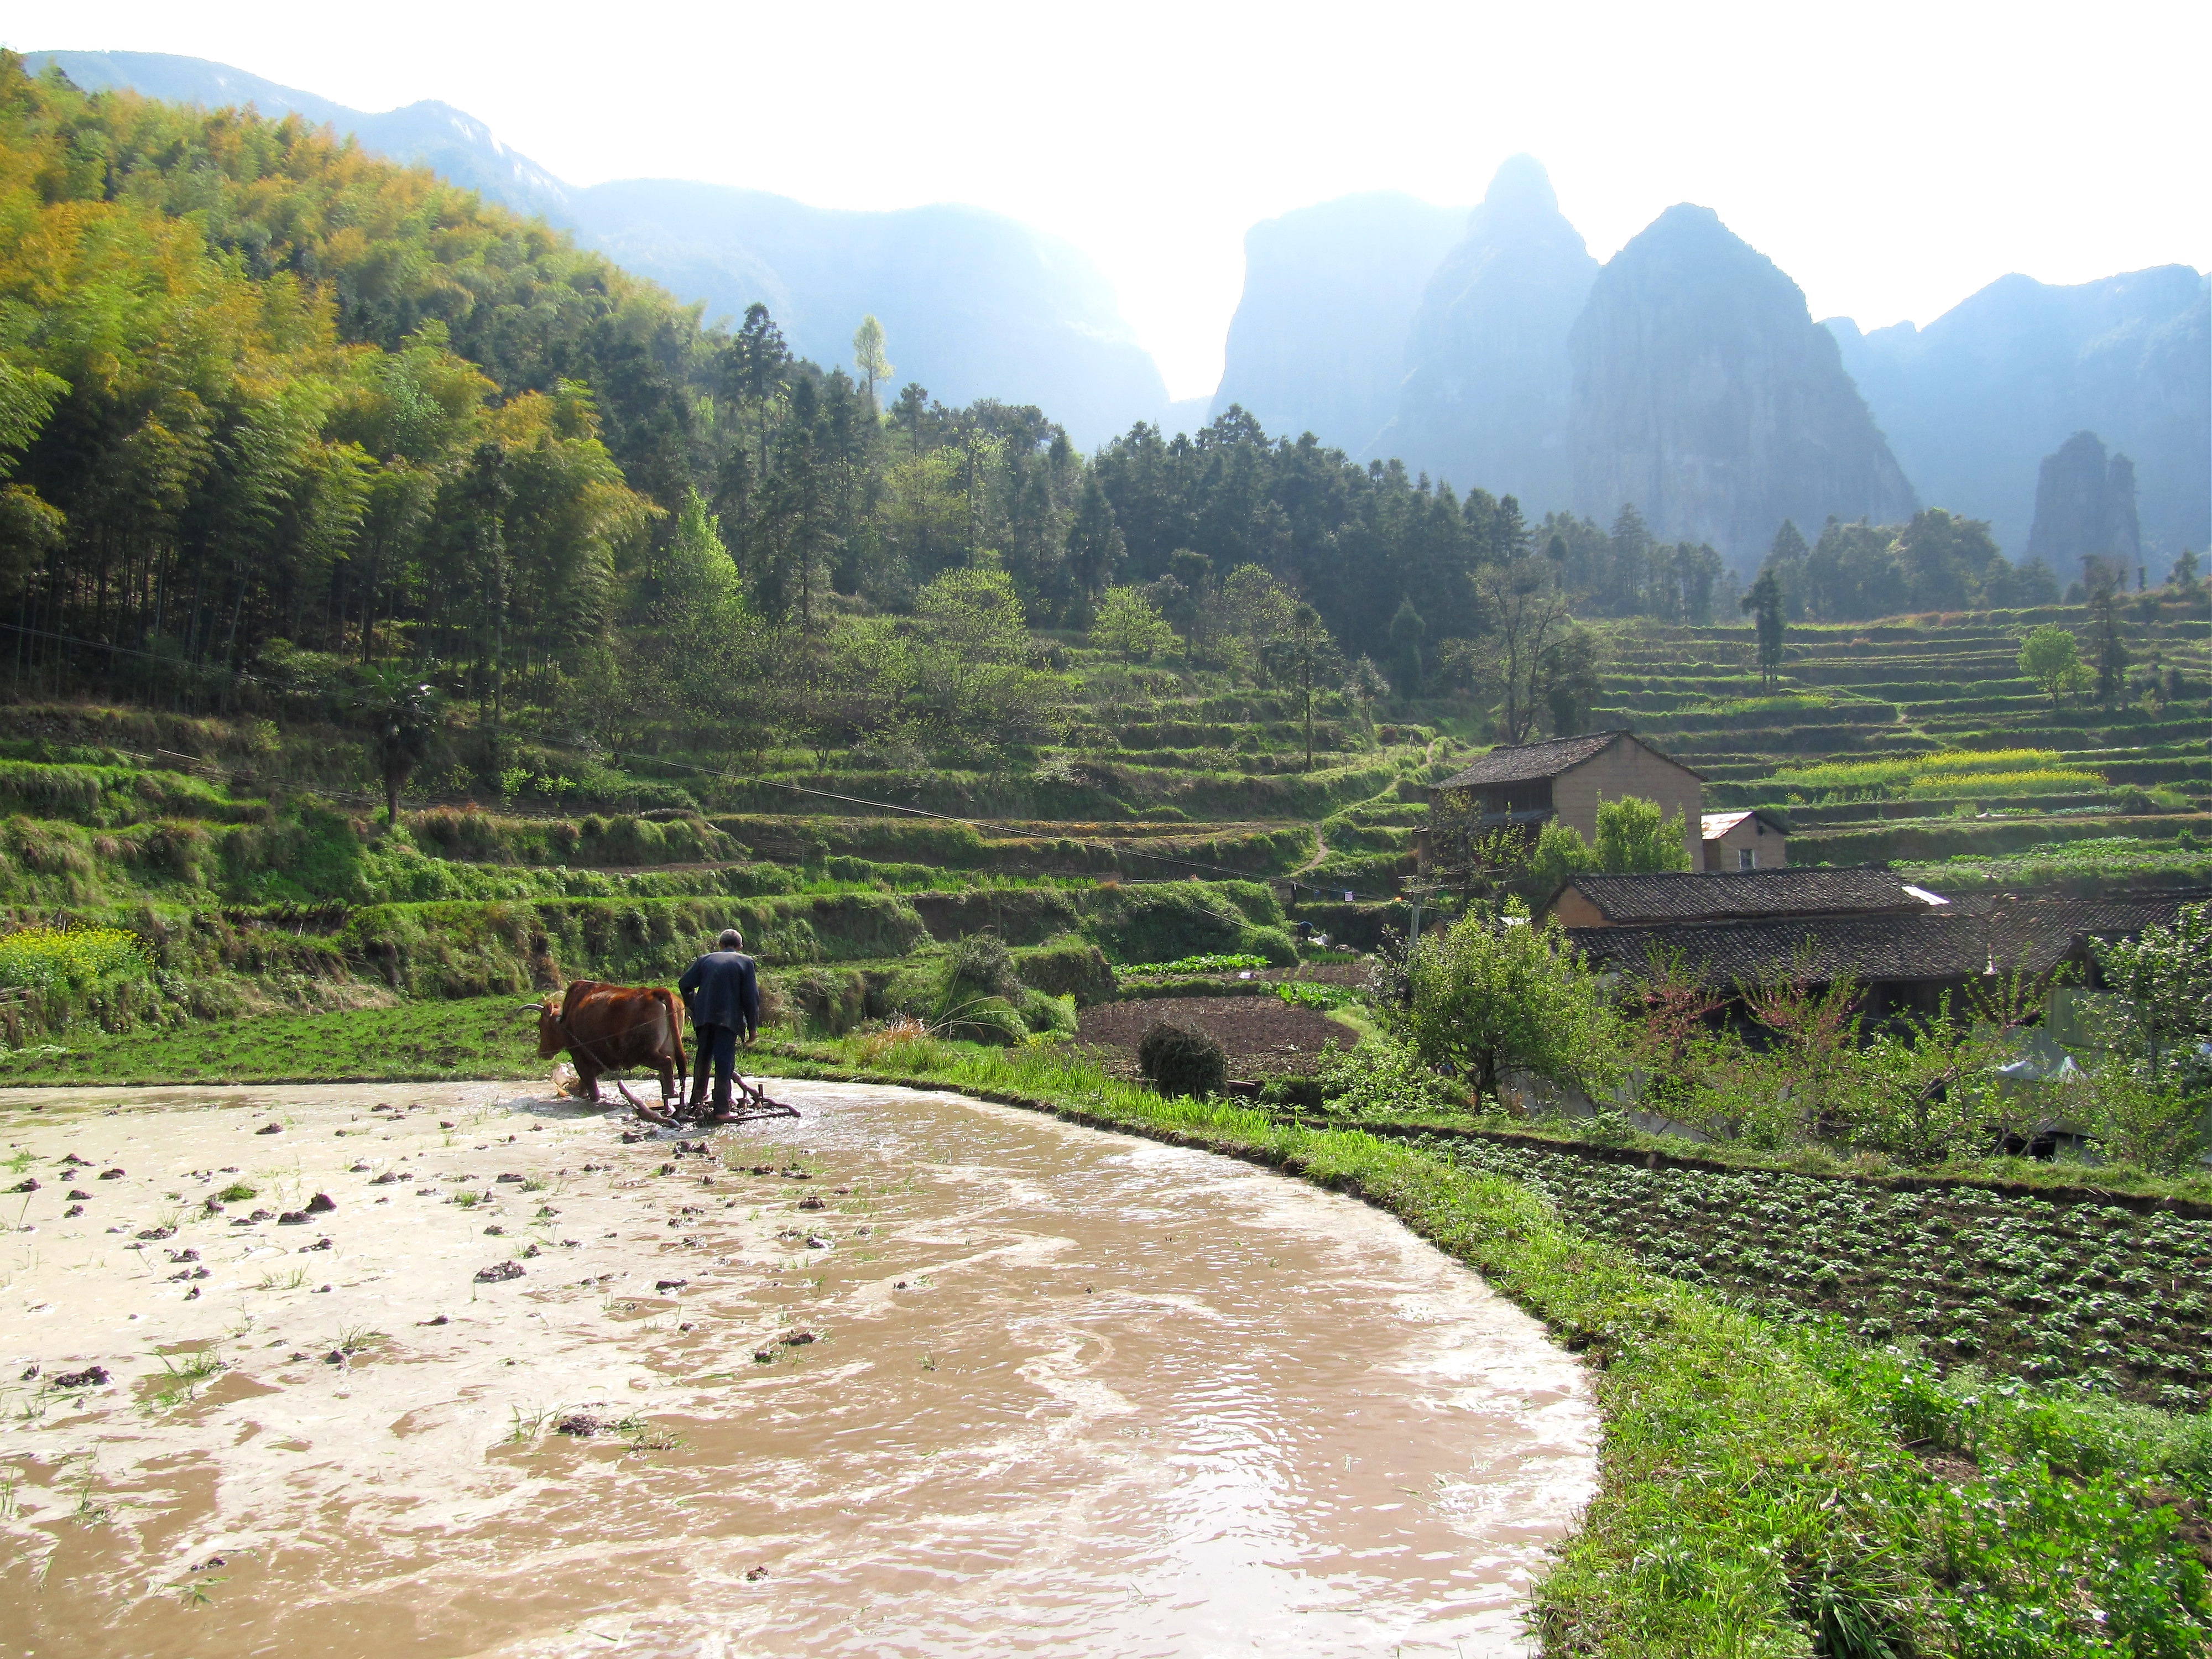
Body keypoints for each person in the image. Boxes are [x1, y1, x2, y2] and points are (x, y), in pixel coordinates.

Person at [677, 928, 760, 1121]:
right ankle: (722, 1110)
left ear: (720, 945)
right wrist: (753, 1027)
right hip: (728, 1020)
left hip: (704, 1018)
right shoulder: (746, 962)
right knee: (724, 1061)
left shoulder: (705, 959)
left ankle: (695, 1101)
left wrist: (694, 1004)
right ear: (739, 947)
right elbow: (751, 997)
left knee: (703, 1057)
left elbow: (685, 984)